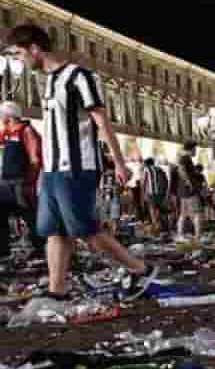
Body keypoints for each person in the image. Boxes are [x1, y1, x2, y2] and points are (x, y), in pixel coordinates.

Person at [6, 23, 158, 304]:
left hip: (77, 167)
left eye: (18, 54)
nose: (17, 61)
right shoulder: (49, 81)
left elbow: (101, 120)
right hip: (53, 170)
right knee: (53, 230)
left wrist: (121, 164)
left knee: (87, 231)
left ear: (34, 49)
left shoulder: (79, 77)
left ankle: (142, 269)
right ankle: (57, 290)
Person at [0, 100, 44, 260]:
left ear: (8, 116)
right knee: (1, 214)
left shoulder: (26, 131)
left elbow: (35, 159)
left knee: (29, 216)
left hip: (21, 182)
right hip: (5, 182)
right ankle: (3, 250)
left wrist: (29, 182)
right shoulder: (7, 132)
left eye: (2, 115)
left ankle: (41, 248)